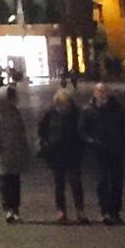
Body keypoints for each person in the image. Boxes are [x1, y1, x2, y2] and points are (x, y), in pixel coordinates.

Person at [37, 86, 88, 224]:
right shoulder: (51, 113)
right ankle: (61, 210)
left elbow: (82, 130)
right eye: (60, 103)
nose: (63, 106)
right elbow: (42, 129)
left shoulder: (76, 113)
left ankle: (80, 210)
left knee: (75, 182)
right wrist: (46, 143)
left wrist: (81, 146)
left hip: (72, 152)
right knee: (59, 183)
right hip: (56, 153)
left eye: (65, 102)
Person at [83, 82, 125, 224]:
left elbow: (124, 127)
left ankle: (115, 211)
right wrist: (91, 141)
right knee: (102, 181)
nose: (102, 94)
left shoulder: (117, 109)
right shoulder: (88, 110)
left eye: (104, 91)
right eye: (99, 91)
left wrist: (121, 142)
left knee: (117, 181)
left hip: (115, 149)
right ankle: (105, 211)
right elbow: (82, 130)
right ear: (95, 93)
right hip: (98, 151)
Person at [0, 84, 30, 223]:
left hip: (14, 151)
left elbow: (21, 129)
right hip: (1, 153)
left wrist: (22, 145)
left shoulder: (14, 112)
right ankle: (8, 209)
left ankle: (15, 208)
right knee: (4, 181)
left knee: (15, 181)